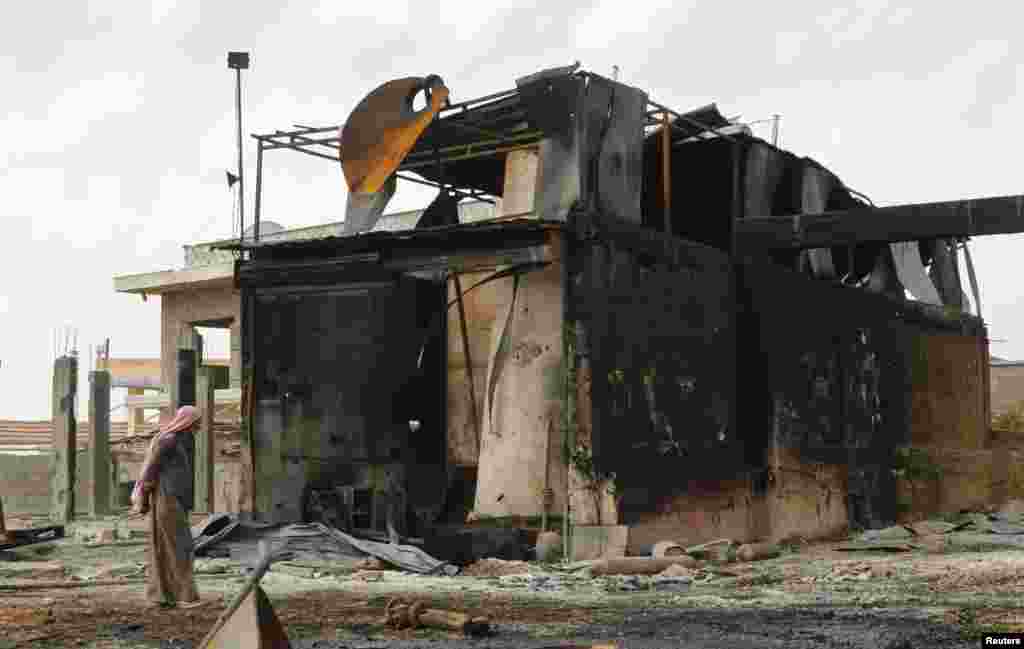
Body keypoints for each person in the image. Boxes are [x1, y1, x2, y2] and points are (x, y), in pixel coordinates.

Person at [131, 405, 203, 609]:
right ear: (188, 421)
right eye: (197, 420)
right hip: (166, 500)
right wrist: (143, 499)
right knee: (180, 546)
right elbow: (149, 472)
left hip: (172, 500)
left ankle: (162, 596)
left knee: (168, 547)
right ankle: (184, 597)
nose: (200, 425)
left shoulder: (176, 440)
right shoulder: (168, 440)